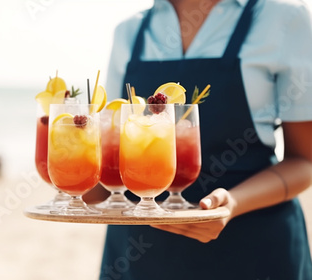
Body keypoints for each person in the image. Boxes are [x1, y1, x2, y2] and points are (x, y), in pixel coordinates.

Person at [99, 0, 312, 279]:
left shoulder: (284, 20)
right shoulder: (129, 31)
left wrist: (233, 203)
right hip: (138, 255)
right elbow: (111, 155)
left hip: (253, 249)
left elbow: (305, 161)